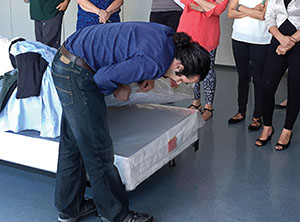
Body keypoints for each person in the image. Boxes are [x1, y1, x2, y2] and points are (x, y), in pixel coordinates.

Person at [51, 21, 210, 222]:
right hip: (77, 73)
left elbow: (138, 51)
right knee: (98, 150)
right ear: (179, 66)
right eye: (182, 80)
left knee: (72, 143)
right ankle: (115, 215)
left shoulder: (170, 38)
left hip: (66, 58)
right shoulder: (153, 63)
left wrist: (148, 73)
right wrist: (119, 87)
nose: (176, 83)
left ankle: (70, 208)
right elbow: (102, 79)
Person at [255, 0, 300, 150]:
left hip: (298, 43)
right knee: (267, 87)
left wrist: (290, 42)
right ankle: (267, 127)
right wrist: (281, 39)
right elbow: (269, 17)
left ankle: (287, 130)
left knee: (295, 88)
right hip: (278, 40)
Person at [177, 0, 229, 121]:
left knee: (208, 71)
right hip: (188, 30)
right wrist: (209, 6)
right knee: (190, 68)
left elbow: (219, 9)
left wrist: (199, 4)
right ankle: (196, 102)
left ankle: (208, 106)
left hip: (208, 33)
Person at [227, 0, 271, 130]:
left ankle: (257, 116)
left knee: (259, 79)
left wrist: (240, 8)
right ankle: (241, 111)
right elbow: (230, 13)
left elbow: (262, 16)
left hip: (261, 40)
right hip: (239, 38)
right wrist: (252, 11)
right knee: (243, 76)